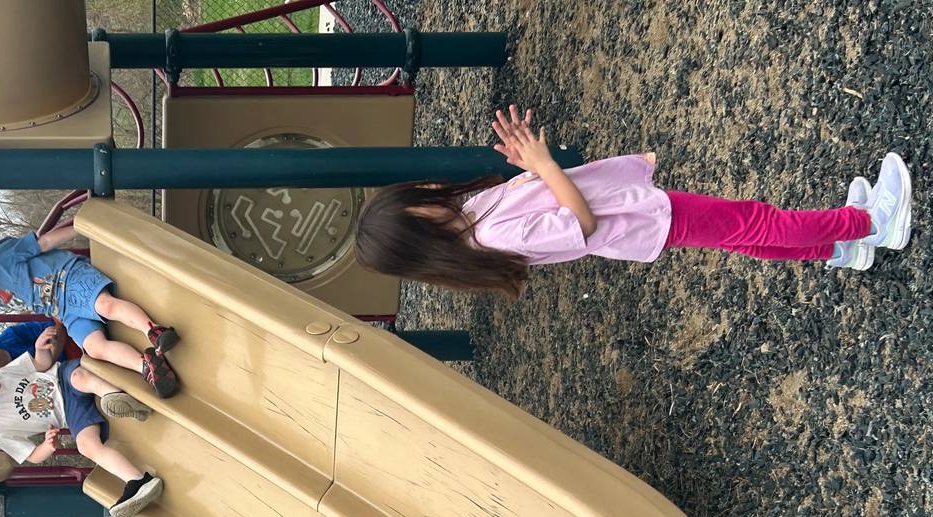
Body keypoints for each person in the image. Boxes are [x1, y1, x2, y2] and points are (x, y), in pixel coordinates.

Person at [354, 105, 913, 298]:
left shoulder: (476, 219)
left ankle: (837, 248)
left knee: (746, 233)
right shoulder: (489, 237)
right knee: (753, 222)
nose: (427, 191)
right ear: (417, 233)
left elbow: (549, 200)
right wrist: (545, 166)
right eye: (416, 204)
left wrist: (529, 164)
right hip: (645, 220)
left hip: (642, 213)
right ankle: (871, 224)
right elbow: (580, 224)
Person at [0, 318, 163, 517]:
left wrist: (40, 349)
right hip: (68, 414)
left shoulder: (3, 374)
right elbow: (30, 455)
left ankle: (115, 397)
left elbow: (40, 365)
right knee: (87, 446)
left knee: (81, 376)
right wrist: (46, 446)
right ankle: (138, 480)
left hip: (62, 377)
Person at [0, 223, 182, 397]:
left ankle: (153, 331)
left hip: (69, 279)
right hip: (65, 309)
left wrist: (84, 224)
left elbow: (43, 243)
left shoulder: (0, 258)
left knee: (105, 305)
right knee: (94, 348)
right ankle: (146, 366)